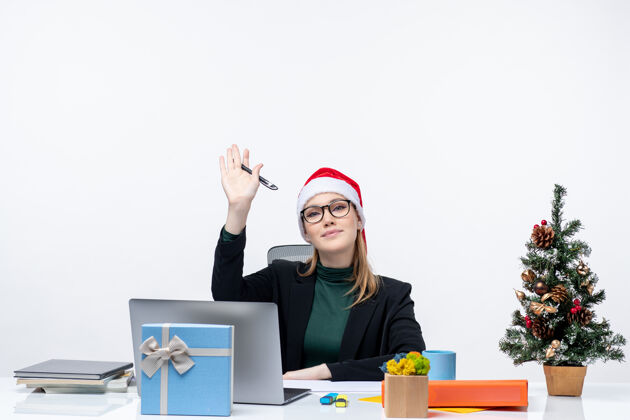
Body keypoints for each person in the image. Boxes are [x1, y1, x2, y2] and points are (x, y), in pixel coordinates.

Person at [212, 145, 425, 381]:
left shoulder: (393, 296)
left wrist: (324, 371)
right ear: (306, 232)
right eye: (313, 213)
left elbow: (412, 361)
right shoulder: (281, 277)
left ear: (358, 220)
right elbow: (226, 296)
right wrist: (237, 210)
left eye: (339, 207)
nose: (328, 219)